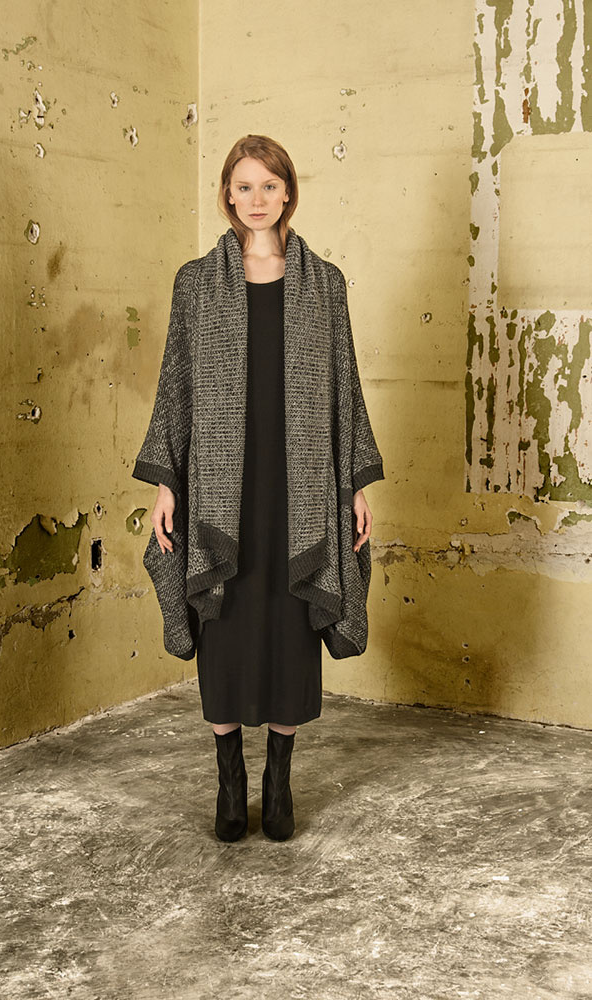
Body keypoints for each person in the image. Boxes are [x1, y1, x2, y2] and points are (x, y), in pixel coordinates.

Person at [132, 134, 384, 844]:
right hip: (220, 488)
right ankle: (228, 780)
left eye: (269, 185)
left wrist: (354, 486)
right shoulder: (195, 283)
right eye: (243, 186)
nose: (256, 199)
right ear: (226, 194)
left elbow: (344, 388)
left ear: (288, 193)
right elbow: (176, 387)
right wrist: (167, 485)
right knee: (224, 622)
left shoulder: (324, 284)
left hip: (298, 486)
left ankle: (278, 781)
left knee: (288, 624)